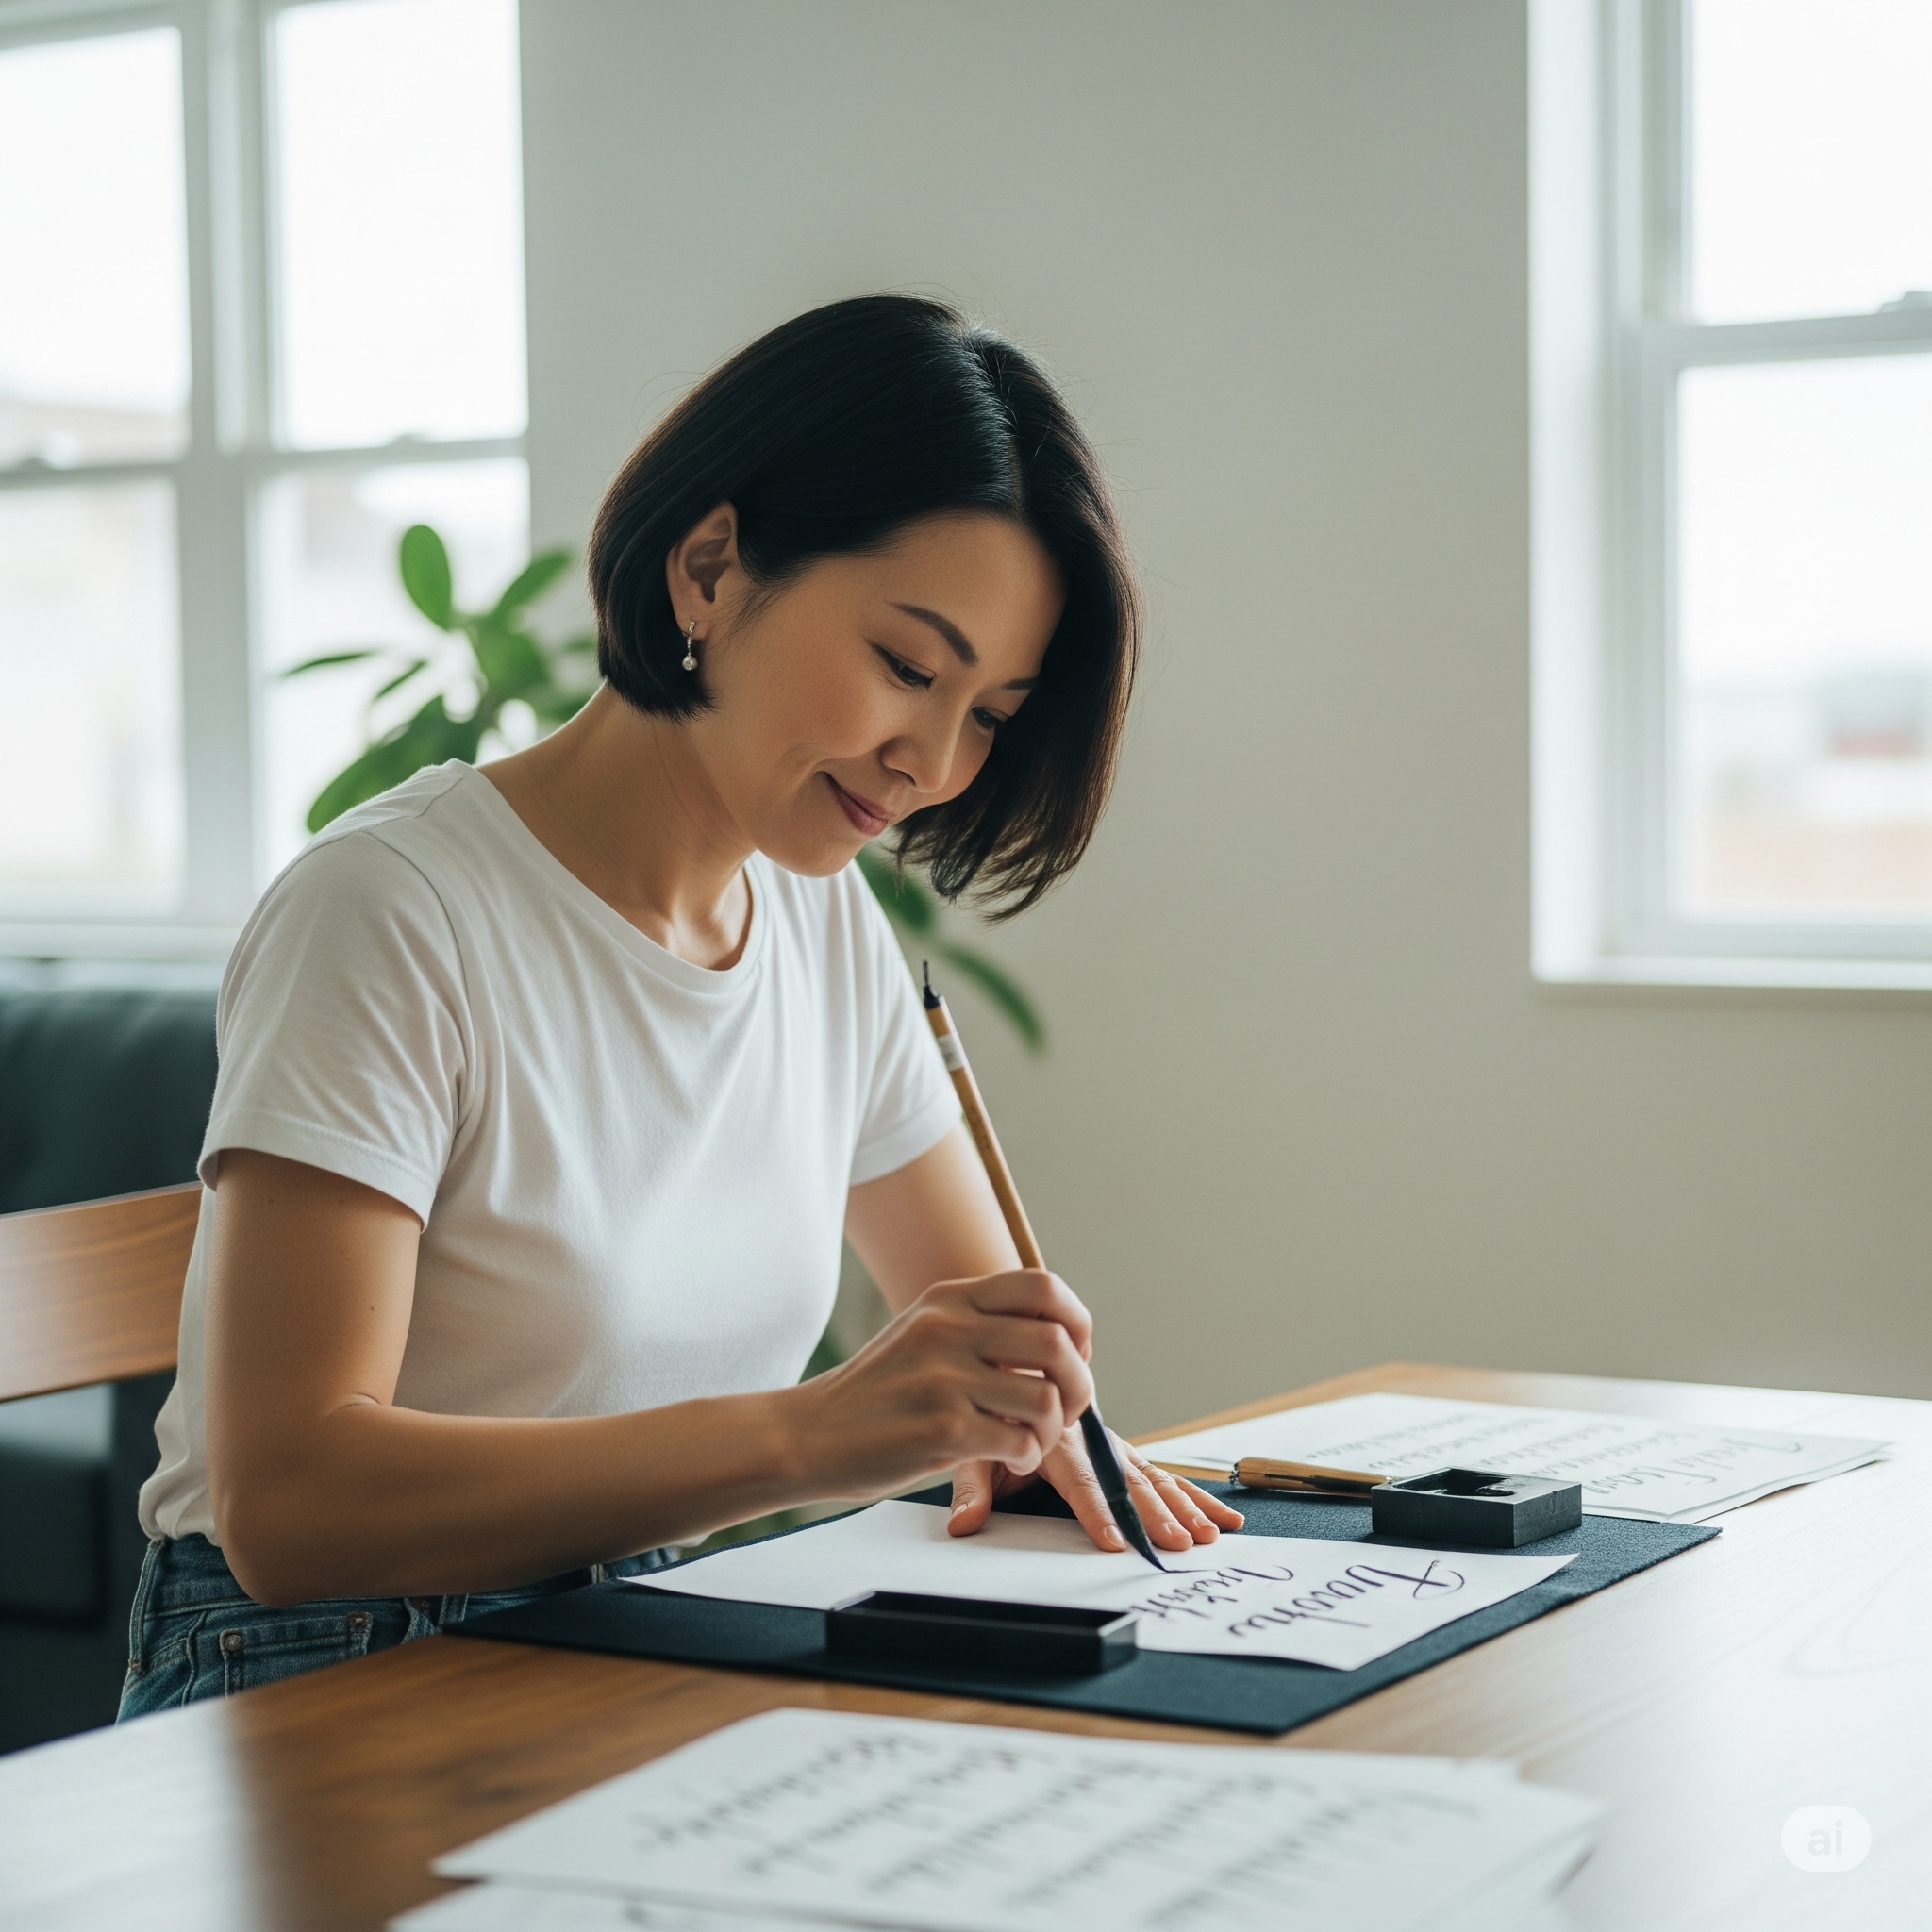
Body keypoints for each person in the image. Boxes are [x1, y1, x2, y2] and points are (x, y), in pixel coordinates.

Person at [120, 294, 1241, 1715]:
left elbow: (976, 1332)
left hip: (633, 1639)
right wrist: (813, 1436)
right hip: (326, 1664)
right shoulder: (391, 908)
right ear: (708, 566)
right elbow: (294, 1507)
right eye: (907, 666)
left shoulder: (825, 922)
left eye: (991, 715)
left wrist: (1033, 1423)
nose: (933, 764)